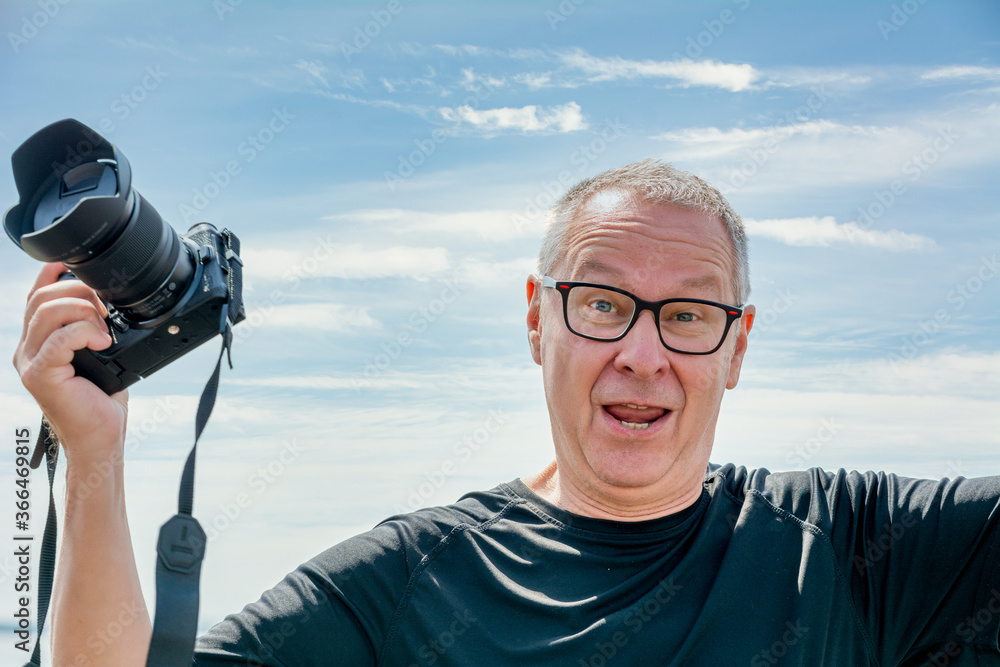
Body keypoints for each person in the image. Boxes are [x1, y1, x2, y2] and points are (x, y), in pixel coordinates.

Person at [14, 159, 1000, 665]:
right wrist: (93, 460)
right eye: (604, 302)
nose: (641, 353)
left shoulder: (852, 552)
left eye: (689, 314)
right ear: (539, 319)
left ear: (736, 344)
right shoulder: (411, 579)